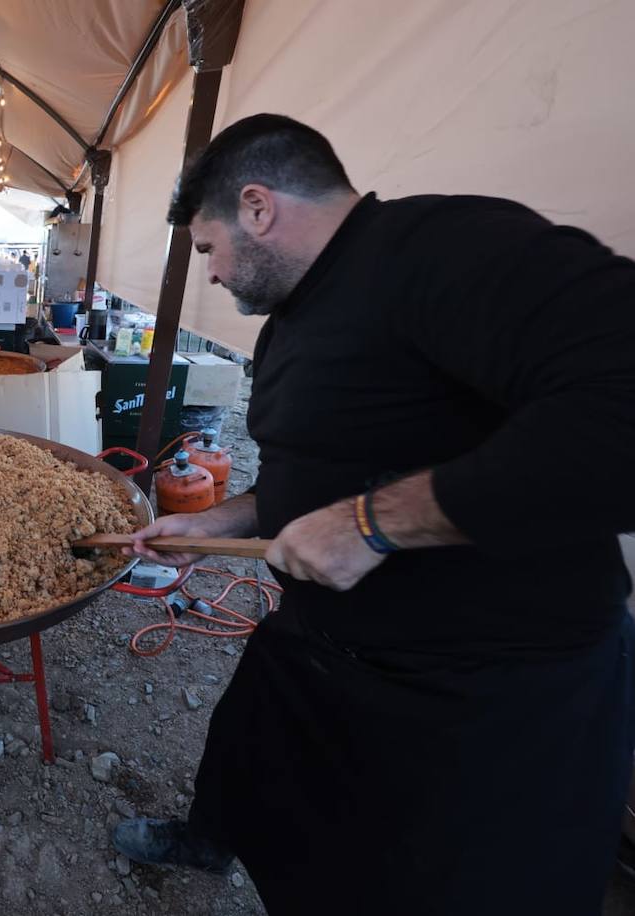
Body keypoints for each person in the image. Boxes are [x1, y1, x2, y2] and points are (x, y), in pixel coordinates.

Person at [114, 114, 635, 915]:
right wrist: (223, 522)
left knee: (422, 880)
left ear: (257, 207)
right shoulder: (295, 311)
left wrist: (373, 525)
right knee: (255, 759)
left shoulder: (446, 248)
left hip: (488, 685)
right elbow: (321, 470)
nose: (210, 276)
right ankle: (216, 838)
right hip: (331, 645)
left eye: (208, 247)